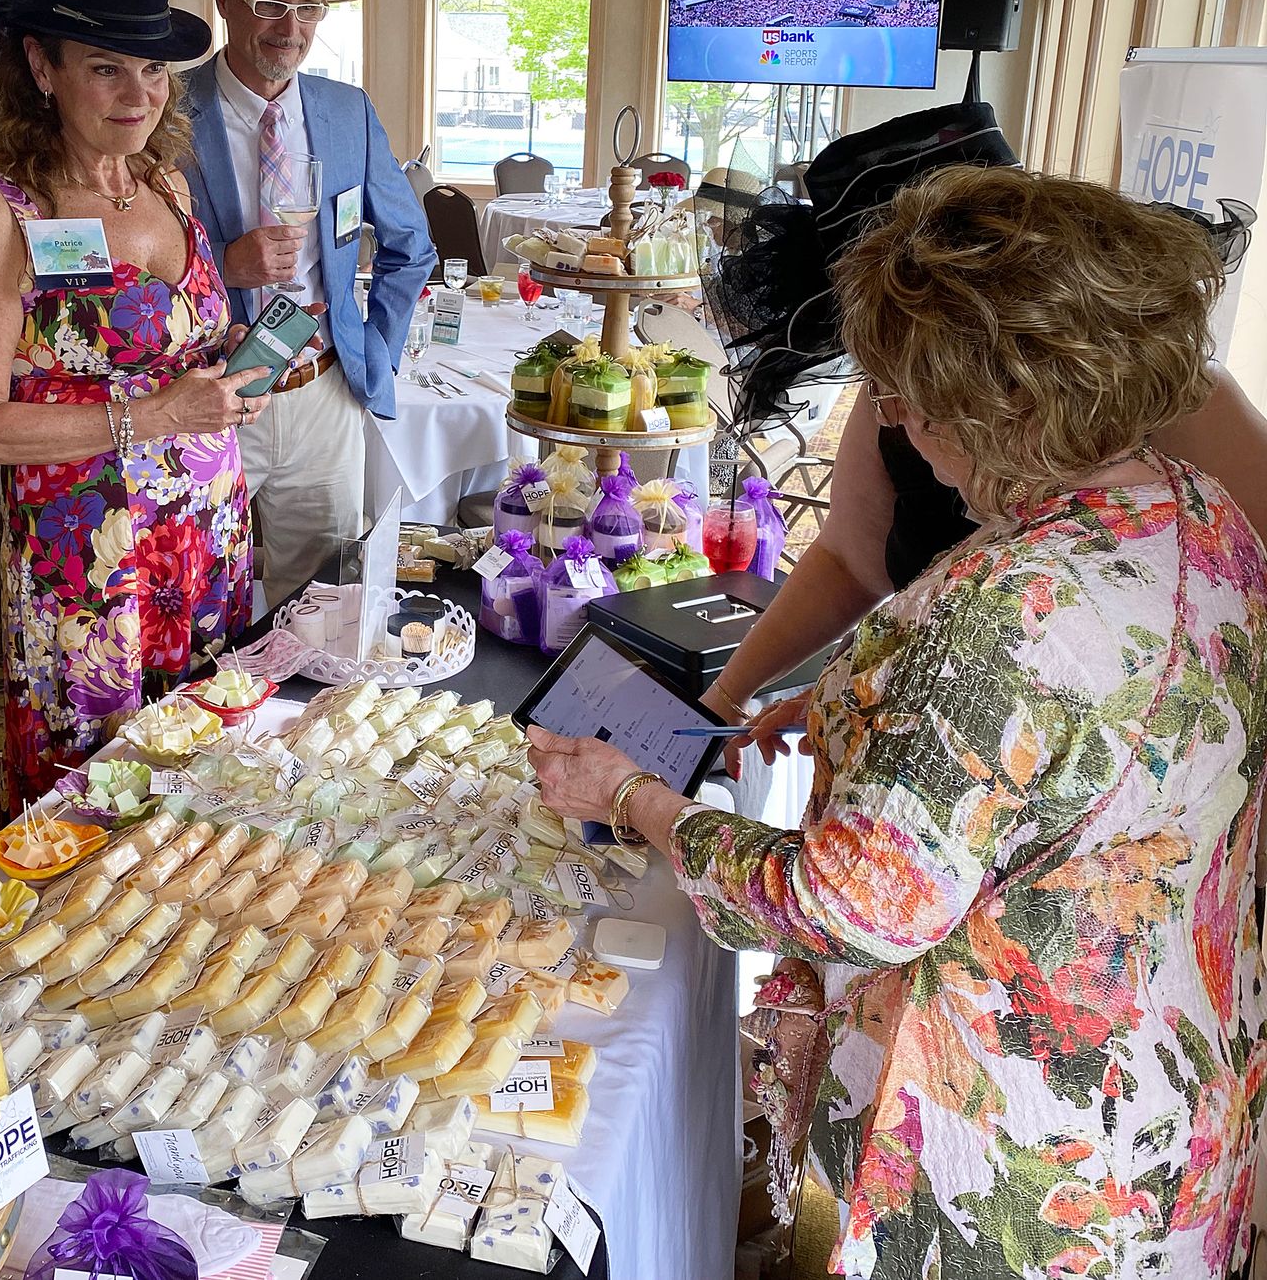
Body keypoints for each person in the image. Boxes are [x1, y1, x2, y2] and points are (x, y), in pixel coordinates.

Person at [529, 167, 1267, 1277]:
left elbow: (843, 906)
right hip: (1167, 1079)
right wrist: (860, 716)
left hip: (1014, 1152)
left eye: (905, 393)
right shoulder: (1194, 510)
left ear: (1001, 397)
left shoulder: (1012, 605)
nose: (896, 421)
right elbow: (1082, 751)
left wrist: (631, 797)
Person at [695, 107, 1267, 757]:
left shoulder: (1183, 420)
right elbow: (850, 558)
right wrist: (746, 694)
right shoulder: (905, 408)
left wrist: (642, 803)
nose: (895, 412)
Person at [0, 0, 265, 805]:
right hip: (88, 558)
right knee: (95, 800)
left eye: (153, 70)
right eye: (106, 66)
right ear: (41, 66)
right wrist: (154, 418)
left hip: (205, 535)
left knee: (207, 775)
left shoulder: (167, 184)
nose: (138, 93)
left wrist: (231, 384)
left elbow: (178, 349)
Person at [179, 0, 436, 602]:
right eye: (268, 4)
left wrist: (373, 349)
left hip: (323, 392)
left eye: (308, 9)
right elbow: (133, 262)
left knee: (323, 603)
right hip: (209, 394)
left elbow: (411, 246)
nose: (289, 27)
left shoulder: (346, 111)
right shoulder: (166, 112)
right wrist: (224, 267)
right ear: (227, 2)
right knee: (196, 592)